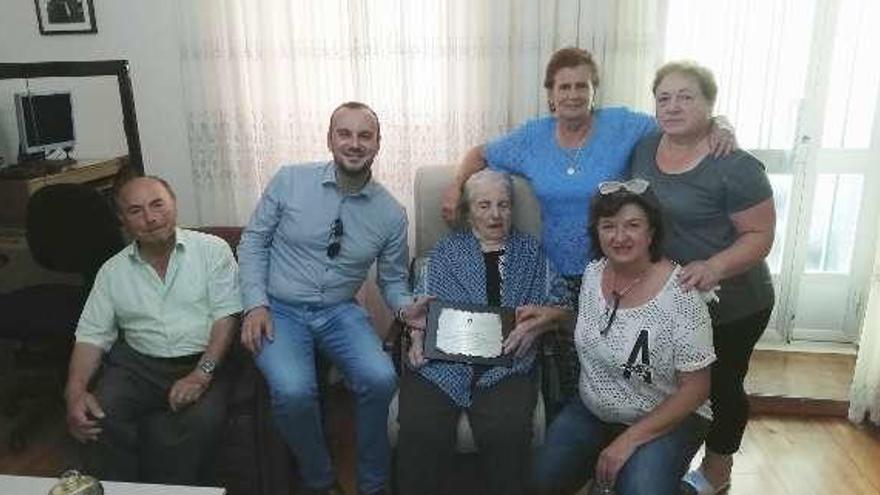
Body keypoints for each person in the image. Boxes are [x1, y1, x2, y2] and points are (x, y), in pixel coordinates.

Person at [441, 47, 734, 404]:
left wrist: (721, 124)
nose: (573, 94)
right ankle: (572, 439)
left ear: (594, 91)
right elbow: (479, 154)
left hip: (616, 268)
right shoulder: (532, 137)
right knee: (568, 374)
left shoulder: (622, 125)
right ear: (550, 95)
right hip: (557, 276)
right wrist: (456, 186)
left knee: (623, 364)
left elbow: (676, 120)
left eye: (582, 86)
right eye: (563, 87)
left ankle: (627, 430)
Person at [237, 101, 428, 495]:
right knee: (292, 392)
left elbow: (391, 279)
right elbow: (253, 242)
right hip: (279, 309)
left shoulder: (391, 213)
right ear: (329, 139)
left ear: (378, 144)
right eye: (345, 134)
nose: (354, 143)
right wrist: (255, 302)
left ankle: (373, 484)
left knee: (380, 379)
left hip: (340, 311)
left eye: (365, 135)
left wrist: (407, 308)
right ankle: (320, 480)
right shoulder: (289, 180)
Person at [630, 61, 776, 495]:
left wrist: (714, 267)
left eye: (686, 97)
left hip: (734, 300)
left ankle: (718, 472)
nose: (673, 106)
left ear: (709, 104)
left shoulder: (733, 163)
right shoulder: (645, 146)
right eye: (664, 98)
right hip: (673, 298)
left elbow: (761, 234)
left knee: (721, 385)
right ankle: (663, 462)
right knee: (676, 381)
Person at [532, 180, 715, 495]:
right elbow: (605, 331)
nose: (619, 236)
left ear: (651, 232)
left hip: (664, 416)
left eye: (632, 225)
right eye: (608, 226)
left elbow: (697, 388)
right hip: (594, 408)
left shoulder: (682, 294)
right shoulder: (593, 273)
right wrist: (559, 317)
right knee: (538, 483)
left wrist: (628, 440)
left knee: (640, 491)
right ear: (597, 231)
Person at [397, 170, 570, 495]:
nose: (495, 214)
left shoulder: (531, 253)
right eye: (484, 205)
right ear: (468, 211)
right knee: (421, 428)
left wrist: (541, 323)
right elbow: (422, 307)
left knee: (507, 432)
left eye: (503, 205)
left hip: (508, 362)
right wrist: (417, 337)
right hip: (442, 365)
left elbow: (561, 305)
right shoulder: (445, 252)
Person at [65, 176, 242, 484]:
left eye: (157, 204)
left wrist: (202, 374)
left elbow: (226, 318)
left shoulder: (213, 251)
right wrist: (75, 391)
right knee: (97, 413)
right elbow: (92, 336)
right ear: (123, 221)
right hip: (138, 366)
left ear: (174, 204)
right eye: (136, 211)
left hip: (203, 359)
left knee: (199, 423)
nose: (150, 217)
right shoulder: (112, 271)